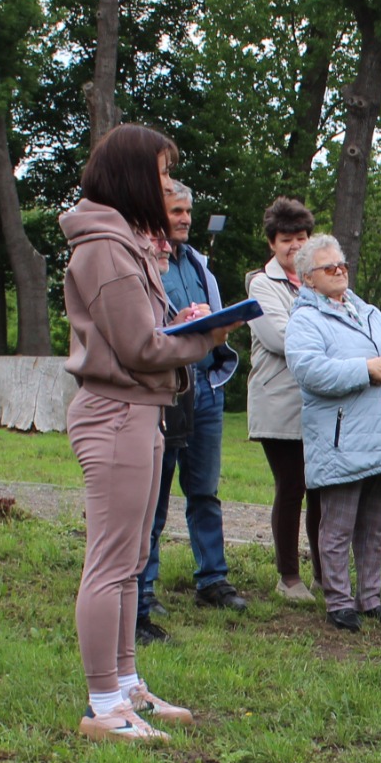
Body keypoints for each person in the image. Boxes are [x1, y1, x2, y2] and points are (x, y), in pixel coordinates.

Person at [59, 124, 239, 742]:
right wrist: (202, 338)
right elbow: (137, 346)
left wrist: (186, 322)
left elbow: (141, 329)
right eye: (161, 175)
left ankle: (127, 683)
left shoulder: (125, 241)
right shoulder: (105, 247)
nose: (167, 187)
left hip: (140, 410)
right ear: (134, 176)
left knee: (134, 559)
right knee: (111, 563)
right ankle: (104, 706)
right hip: (115, 413)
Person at [283, 235, 381, 632]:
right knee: (338, 528)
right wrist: (366, 369)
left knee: (374, 528)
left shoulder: (368, 310)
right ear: (308, 278)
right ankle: (339, 601)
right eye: (329, 268)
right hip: (341, 440)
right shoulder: (305, 320)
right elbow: (308, 370)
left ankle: (370, 598)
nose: (340, 272)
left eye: (342, 265)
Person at [137, 179, 243, 643]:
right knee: (154, 494)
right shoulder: (142, 261)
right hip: (165, 388)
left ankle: (212, 579)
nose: (182, 219)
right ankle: (142, 589)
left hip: (204, 387)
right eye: (174, 211)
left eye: (186, 212)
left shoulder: (199, 263)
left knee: (204, 491)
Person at [246, 196, 323, 602]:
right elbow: (281, 338)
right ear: (272, 244)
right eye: (286, 239)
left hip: (319, 405)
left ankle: (323, 576)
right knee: (292, 486)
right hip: (279, 403)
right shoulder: (261, 284)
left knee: (323, 488)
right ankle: (288, 576)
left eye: (301, 238)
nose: (294, 246)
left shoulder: (323, 278)